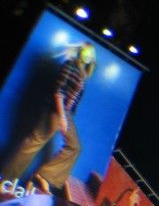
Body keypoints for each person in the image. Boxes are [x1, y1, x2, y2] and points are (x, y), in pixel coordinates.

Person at [1, 42, 97, 194]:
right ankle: (6, 179)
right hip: (55, 110)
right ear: (80, 52)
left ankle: (45, 176)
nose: (89, 56)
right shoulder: (70, 65)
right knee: (33, 143)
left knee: (74, 147)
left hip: (67, 113)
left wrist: (66, 116)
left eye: (91, 54)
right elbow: (58, 92)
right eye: (86, 52)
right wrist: (62, 116)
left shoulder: (81, 74)